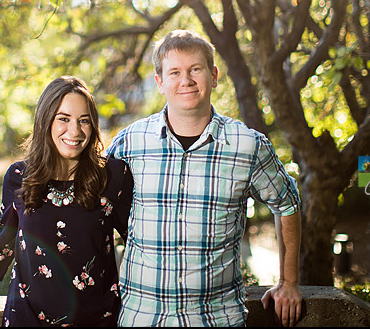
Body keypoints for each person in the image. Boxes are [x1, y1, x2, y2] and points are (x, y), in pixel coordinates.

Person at [107, 29, 303, 327]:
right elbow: (93, 204)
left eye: (194, 69)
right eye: (174, 72)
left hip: (217, 319)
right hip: (141, 318)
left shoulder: (247, 145)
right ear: (160, 82)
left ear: (213, 75)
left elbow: (287, 203)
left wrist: (288, 282)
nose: (185, 80)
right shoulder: (130, 142)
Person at [0, 76, 134, 327]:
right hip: (27, 318)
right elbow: (3, 245)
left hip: (96, 320)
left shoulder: (113, 175)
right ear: (46, 121)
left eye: (84, 120)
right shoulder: (19, 177)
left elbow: (138, 242)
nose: (75, 131)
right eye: (63, 119)